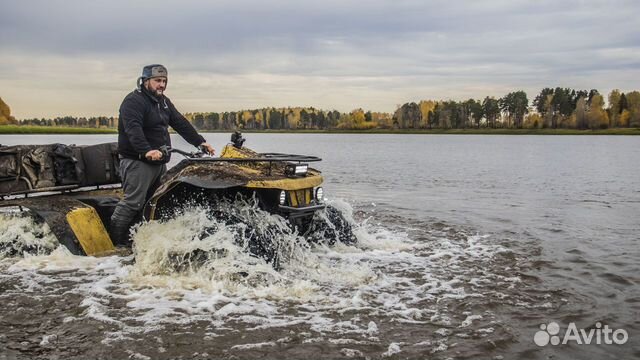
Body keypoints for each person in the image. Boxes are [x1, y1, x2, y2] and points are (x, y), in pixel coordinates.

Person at [109, 64, 215, 246]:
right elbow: (133, 129)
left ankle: (138, 243)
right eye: (158, 81)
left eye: (164, 81)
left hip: (159, 162)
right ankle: (113, 244)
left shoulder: (163, 102)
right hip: (138, 161)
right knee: (132, 202)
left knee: (153, 204)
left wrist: (200, 142)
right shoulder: (133, 101)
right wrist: (146, 150)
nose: (162, 85)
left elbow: (180, 122)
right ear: (145, 81)